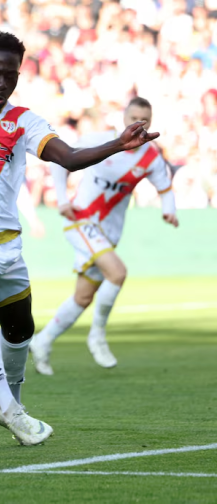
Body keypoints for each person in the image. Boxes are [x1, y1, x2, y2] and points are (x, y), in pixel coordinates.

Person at [0, 32, 159, 446]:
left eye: (11, 76)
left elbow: (68, 158)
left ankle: (11, 404)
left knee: (19, 331)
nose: (2, 83)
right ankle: (12, 409)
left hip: (6, 245)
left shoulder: (23, 121)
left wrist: (117, 144)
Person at [29, 97, 178, 374]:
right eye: (135, 117)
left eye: (145, 119)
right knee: (118, 273)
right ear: (124, 117)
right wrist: (62, 199)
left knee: (83, 297)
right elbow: (60, 161)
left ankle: (42, 341)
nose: (139, 124)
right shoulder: (100, 140)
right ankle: (97, 336)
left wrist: (170, 210)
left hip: (109, 232)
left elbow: (164, 185)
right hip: (81, 220)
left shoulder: (150, 155)